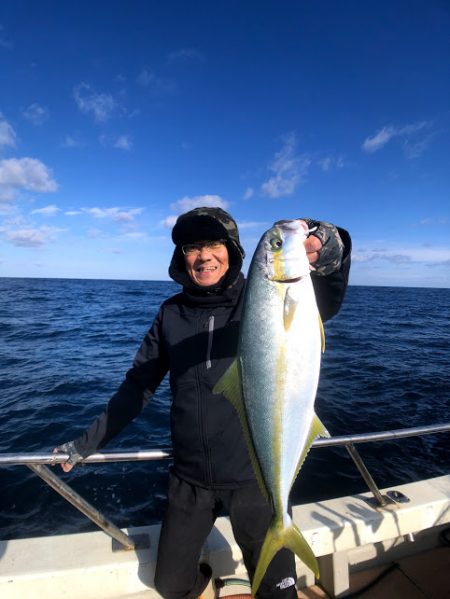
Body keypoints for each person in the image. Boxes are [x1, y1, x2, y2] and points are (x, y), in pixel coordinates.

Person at [55, 207, 351, 599]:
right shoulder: (171, 314)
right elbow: (137, 387)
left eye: (213, 244)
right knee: (171, 586)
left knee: (278, 593)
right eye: (192, 247)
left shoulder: (264, 293)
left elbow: (325, 297)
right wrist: (84, 445)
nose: (204, 255)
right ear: (181, 258)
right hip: (189, 478)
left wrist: (331, 246)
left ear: (233, 249)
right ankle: (210, 576)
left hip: (255, 479)